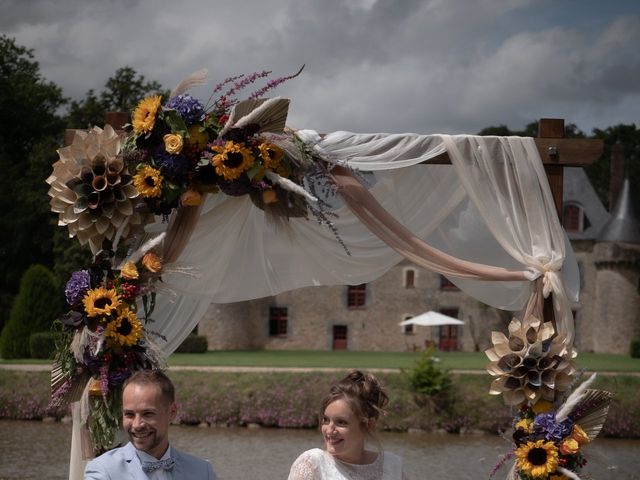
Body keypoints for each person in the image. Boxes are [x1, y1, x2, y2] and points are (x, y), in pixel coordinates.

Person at [84, 369, 217, 479]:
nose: (137, 425)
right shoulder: (103, 471)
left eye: (147, 414)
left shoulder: (203, 472)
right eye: (129, 414)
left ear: (172, 412)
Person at [288, 370, 408, 480]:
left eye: (341, 422)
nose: (329, 430)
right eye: (326, 420)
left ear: (368, 425)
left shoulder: (391, 466)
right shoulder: (312, 464)